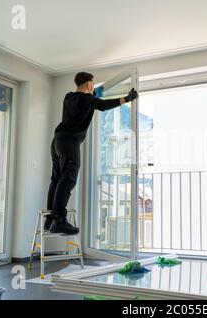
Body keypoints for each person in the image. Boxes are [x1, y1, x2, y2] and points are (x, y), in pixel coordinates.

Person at [46, 72, 138, 234]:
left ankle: (50, 218)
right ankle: (59, 219)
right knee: (68, 179)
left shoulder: (69, 97)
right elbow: (102, 105)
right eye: (92, 84)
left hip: (57, 141)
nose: (93, 86)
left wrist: (95, 93)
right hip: (70, 143)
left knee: (57, 179)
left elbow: (84, 102)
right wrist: (127, 99)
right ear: (89, 84)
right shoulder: (87, 100)